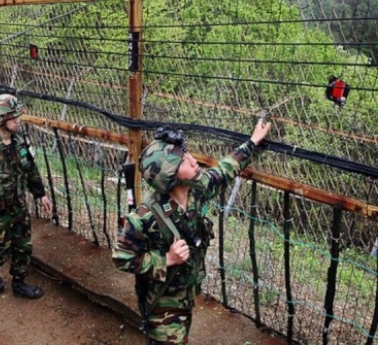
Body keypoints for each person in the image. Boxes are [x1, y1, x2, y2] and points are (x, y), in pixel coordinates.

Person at [112, 120, 272, 344]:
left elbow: (224, 170)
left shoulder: (197, 190)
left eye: (187, 155)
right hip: (162, 302)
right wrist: (166, 259)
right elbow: (122, 257)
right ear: (169, 177)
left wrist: (253, 141)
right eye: (184, 162)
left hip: (186, 291)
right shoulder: (144, 217)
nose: (194, 162)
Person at [0, 93, 52, 299]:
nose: (18, 121)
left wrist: (40, 194)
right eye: (14, 118)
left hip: (19, 206)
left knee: (23, 246)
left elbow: (30, 169)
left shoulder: (20, 142)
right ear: (0, 120)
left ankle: (19, 282)